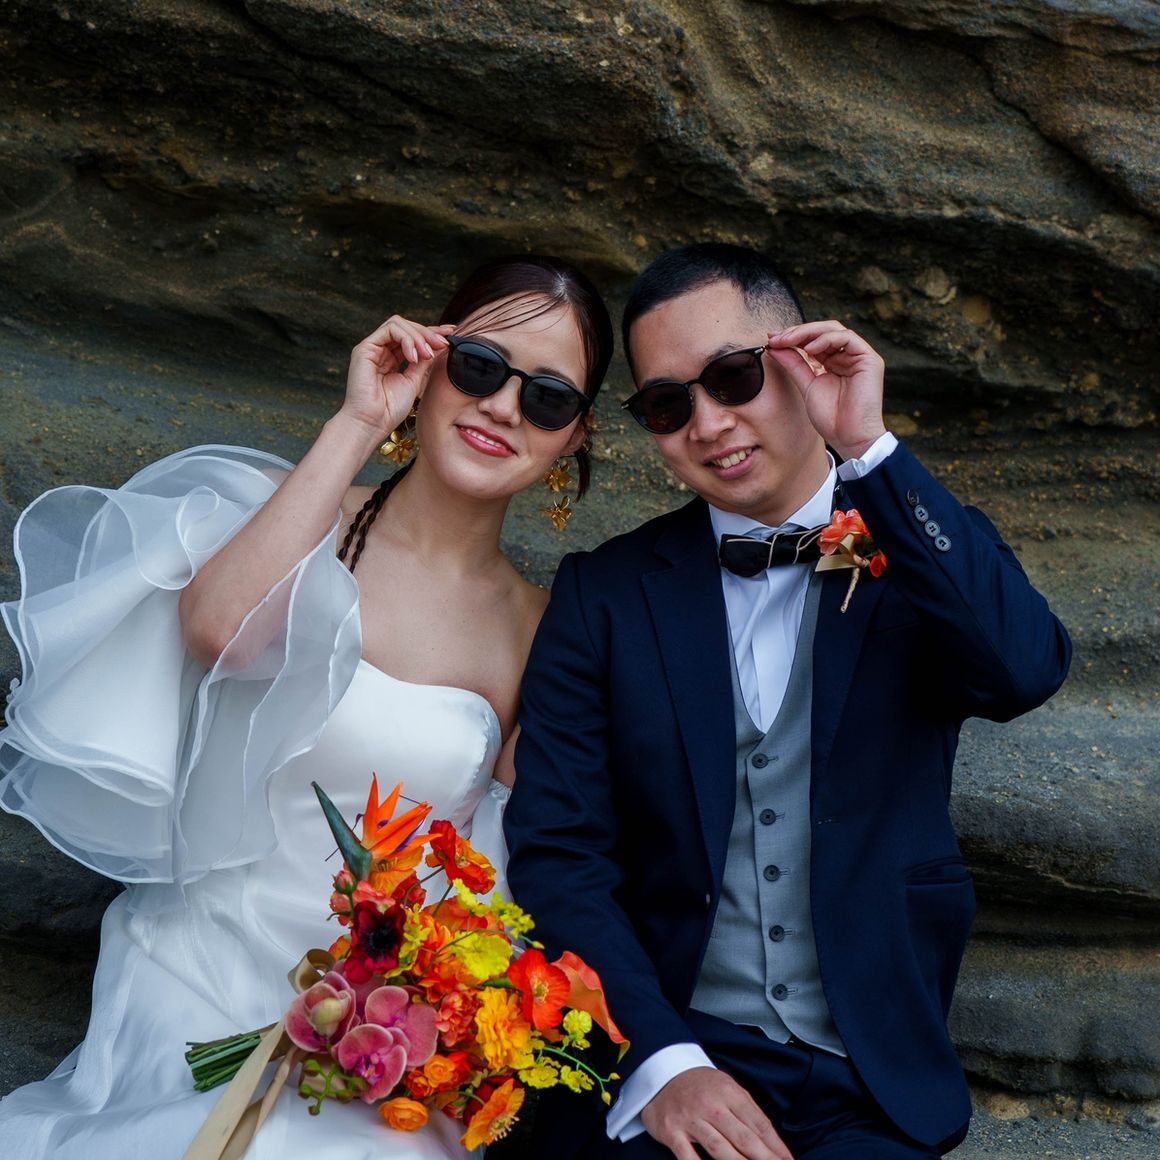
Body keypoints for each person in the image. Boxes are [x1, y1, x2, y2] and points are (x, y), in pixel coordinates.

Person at [0, 254, 613, 1159]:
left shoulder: (542, 627)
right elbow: (220, 633)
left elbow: (516, 860)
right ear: (430, 360)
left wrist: (428, 1013)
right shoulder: (301, 520)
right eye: (481, 366)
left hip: (385, 1027)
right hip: (201, 968)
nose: (503, 407)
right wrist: (360, 420)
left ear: (575, 436)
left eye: (548, 397)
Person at [504, 243, 1072, 1159]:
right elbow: (560, 852)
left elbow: (1025, 671)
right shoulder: (603, 595)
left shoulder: (916, 551)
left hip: (870, 1081)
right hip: (675, 1059)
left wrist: (868, 450)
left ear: (803, 361)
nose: (708, 423)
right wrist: (664, 1064)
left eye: (734, 377)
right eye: (667, 404)